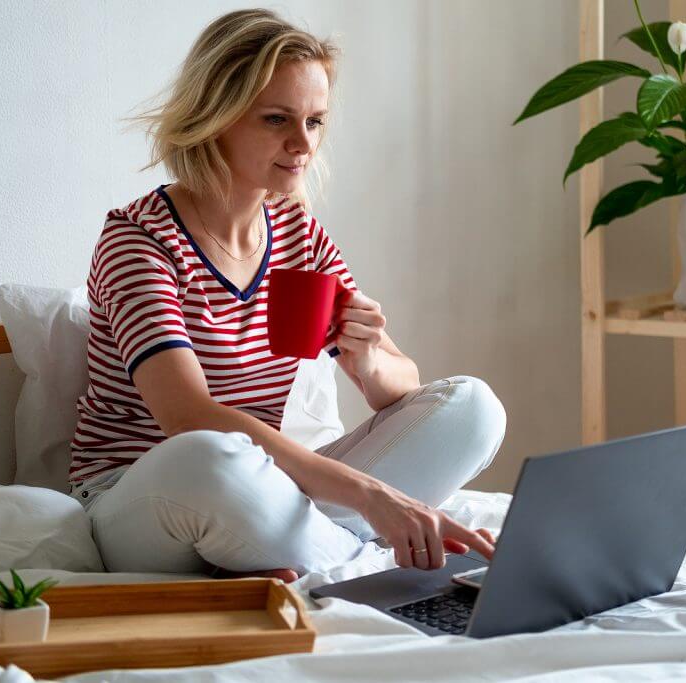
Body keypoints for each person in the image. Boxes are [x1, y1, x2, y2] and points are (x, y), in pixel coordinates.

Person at [67, 8, 506, 583]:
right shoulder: (140, 238)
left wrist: (369, 362)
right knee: (212, 458)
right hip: (144, 495)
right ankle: (363, 557)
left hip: (263, 485)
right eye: (278, 120)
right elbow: (186, 416)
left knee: (473, 407)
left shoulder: (300, 236)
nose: (304, 144)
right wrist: (372, 496)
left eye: (315, 121)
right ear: (216, 117)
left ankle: (287, 547)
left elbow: (403, 385)